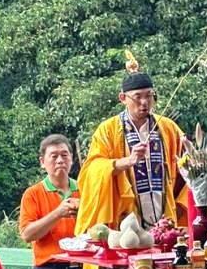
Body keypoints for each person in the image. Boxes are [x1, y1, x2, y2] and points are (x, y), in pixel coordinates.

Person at [75, 59, 187, 242]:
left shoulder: (168, 128)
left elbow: (191, 168)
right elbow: (90, 172)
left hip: (166, 223)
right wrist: (125, 162)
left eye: (149, 96)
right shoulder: (108, 130)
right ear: (123, 98)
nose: (144, 103)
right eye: (137, 97)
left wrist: (180, 206)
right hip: (124, 225)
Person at [20, 135, 82, 269]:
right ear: (42, 162)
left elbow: (99, 230)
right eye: (54, 156)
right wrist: (58, 213)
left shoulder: (85, 190)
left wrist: (82, 213)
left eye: (64, 155)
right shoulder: (33, 193)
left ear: (71, 159)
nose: (60, 160)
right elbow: (27, 234)